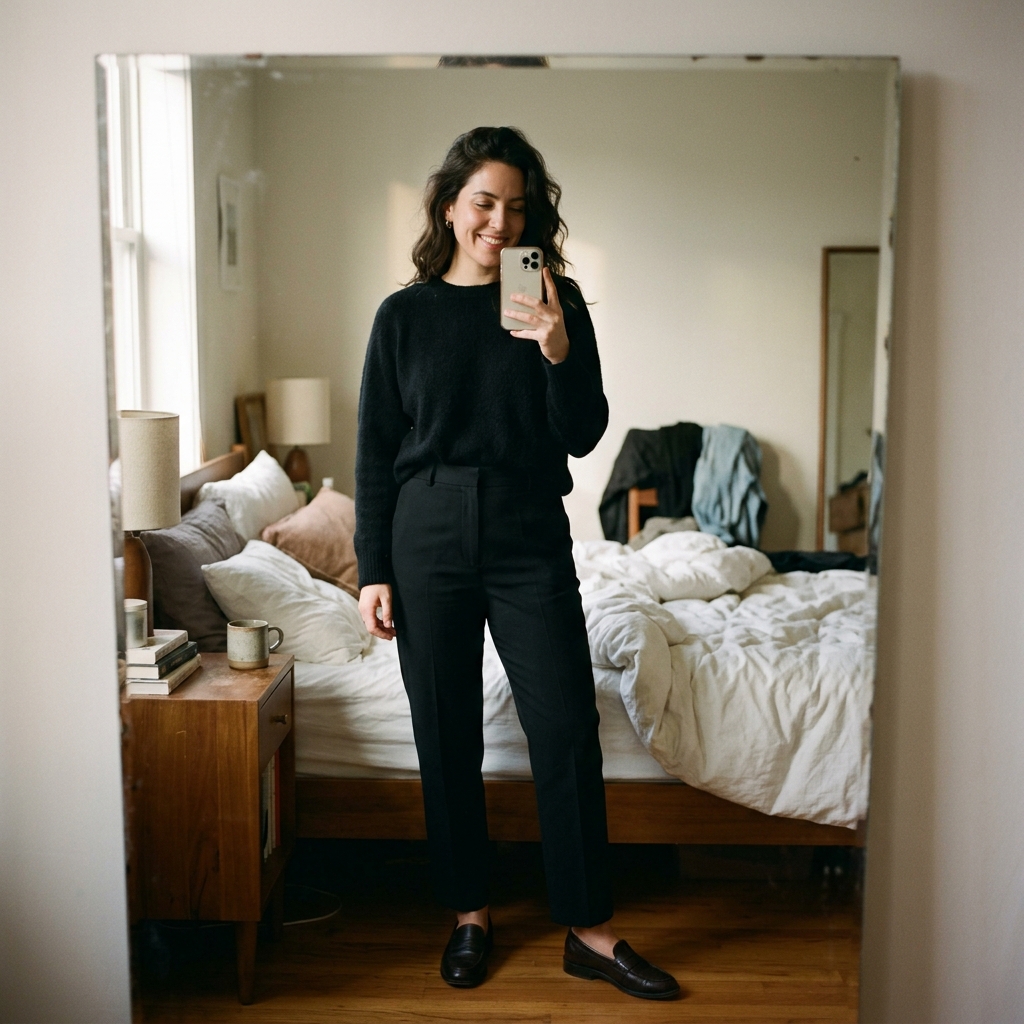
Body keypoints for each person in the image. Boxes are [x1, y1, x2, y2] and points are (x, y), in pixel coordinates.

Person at [354, 126, 679, 1002]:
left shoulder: (554, 297)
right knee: (444, 728)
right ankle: (469, 912)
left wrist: (558, 350)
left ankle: (589, 927)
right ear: (451, 206)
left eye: (518, 207)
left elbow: (582, 431)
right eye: (484, 202)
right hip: (427, 529)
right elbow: (377, 450)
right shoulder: (404, 316)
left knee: (567, 725)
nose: (499, 222)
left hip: (530, 524)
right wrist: (372, 568)